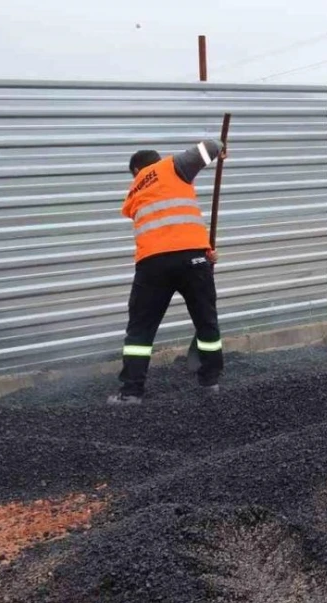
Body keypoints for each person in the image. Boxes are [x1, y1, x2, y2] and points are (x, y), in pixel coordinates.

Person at [107, 138, 227, 405]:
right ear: (155, 161)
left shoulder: (134, 190)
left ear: (136, 170)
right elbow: (209, 146)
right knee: (206, 322)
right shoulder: (172, 166)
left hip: (152, 265)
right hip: (194, 260)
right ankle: (210, 382)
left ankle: (131, 393)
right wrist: (221, 148)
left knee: (140, 330)